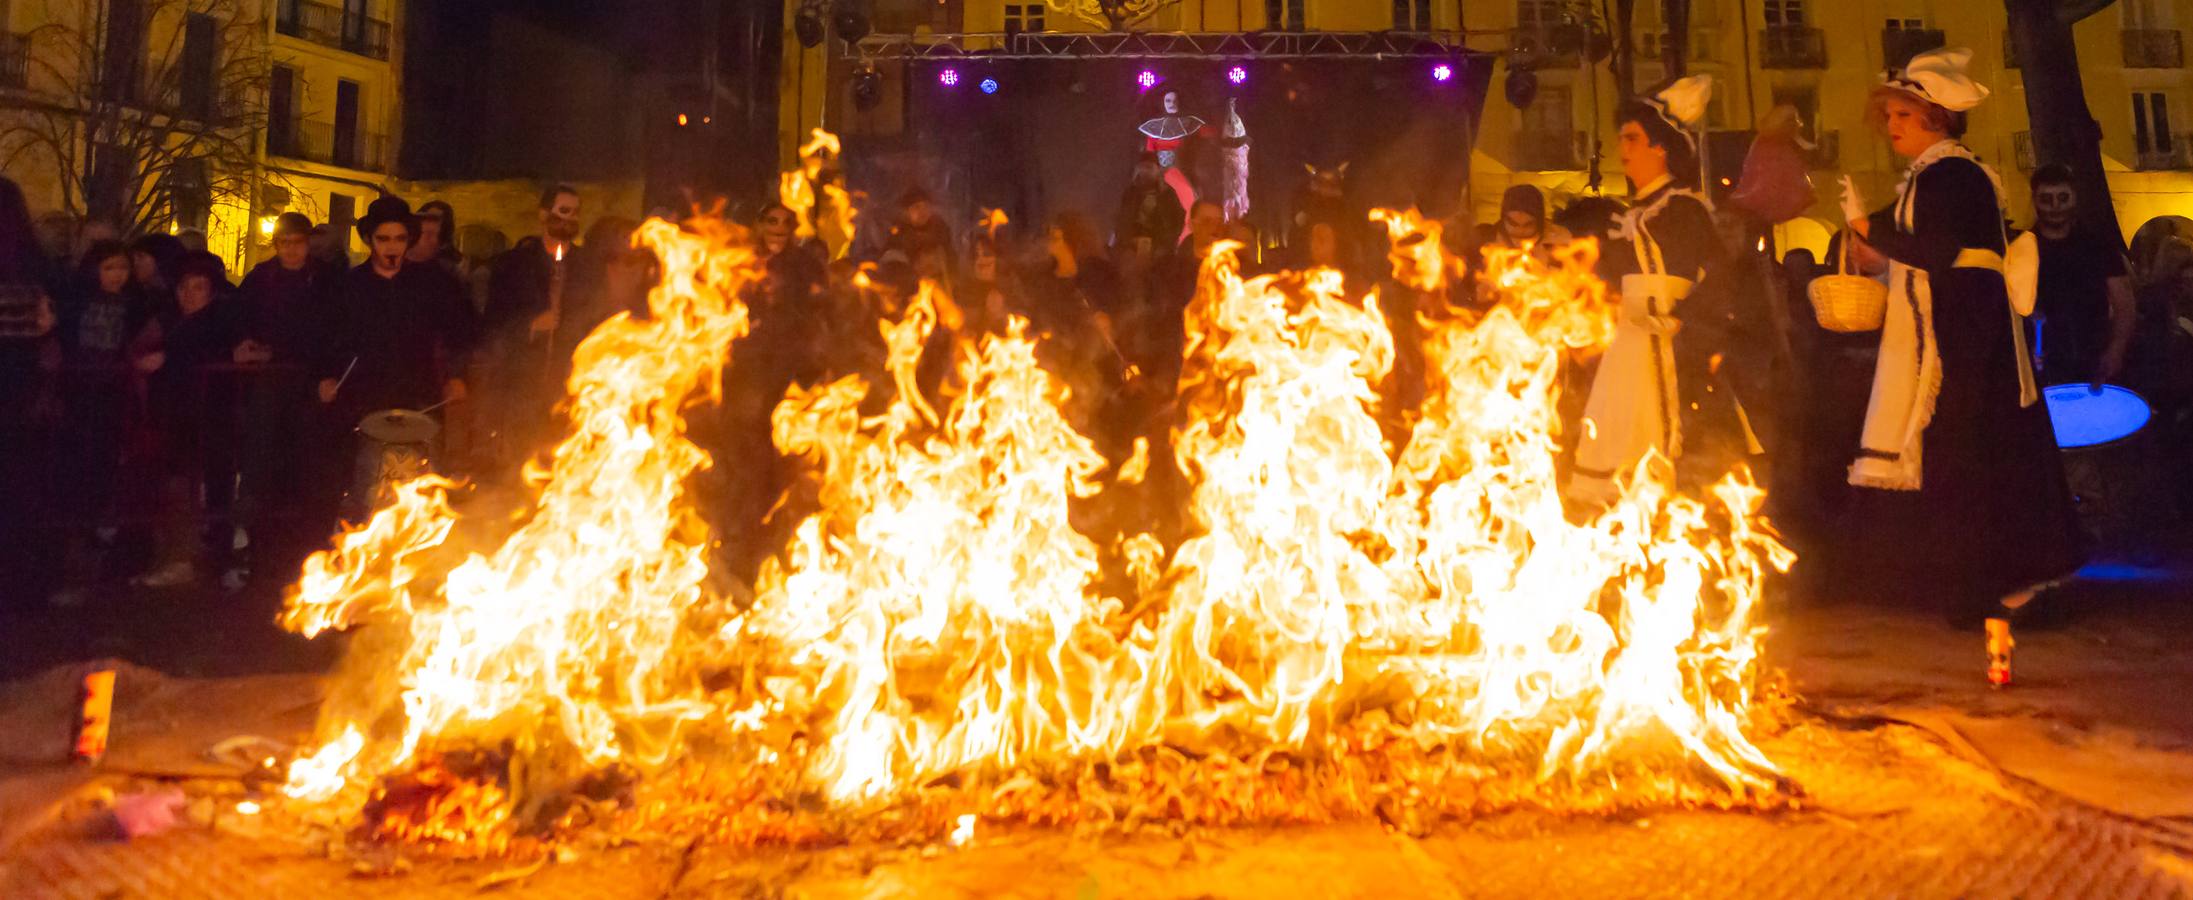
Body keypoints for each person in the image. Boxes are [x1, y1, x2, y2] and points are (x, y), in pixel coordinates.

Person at [1837, 47, 2084, 623]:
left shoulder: (1953, 173)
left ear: (1937, 119)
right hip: (1961, 326)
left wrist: (1869, 227)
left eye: (1903, 116)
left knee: (1977, 452)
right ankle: (1979, 583)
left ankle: (2000, 583)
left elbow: (1938, 249)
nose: (1892, 127)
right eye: (1891, 117)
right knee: (1968, 454)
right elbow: (1914, 247)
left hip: (1968, 335)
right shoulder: (1935, 176)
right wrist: (1872, 242)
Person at [1570, 75, 1734, 503]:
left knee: (1666, 433)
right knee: (1620, 434)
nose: (1621, 149)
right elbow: (1609, 278)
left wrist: (1682, 317)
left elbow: (1721, 274)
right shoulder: (1634, 214)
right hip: (1629, 337)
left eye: (1632, 138)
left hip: (1671, 342)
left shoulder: (1684, 207)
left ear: (1660, 147)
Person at [316, 197, 479, 518]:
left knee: (420, 494)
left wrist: (458, 376)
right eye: (384, 239)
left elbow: (462, 333)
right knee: (366, 493)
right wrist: (324, 377)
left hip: (420, 399)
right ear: (369, 240)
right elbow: (323, 340)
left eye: (400, 239)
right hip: (363, 401)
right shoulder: (347, 287)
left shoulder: (433, 284)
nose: (392, 248)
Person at [48, 242, 157, 602]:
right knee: (75, 458)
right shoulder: (76, 301)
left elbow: (141, 334)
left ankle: (95, 523)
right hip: (78, 390)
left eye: (122, 269)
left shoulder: (133, 304)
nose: (117, 276)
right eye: (110, 268)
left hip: (112, 391)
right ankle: (74, 526)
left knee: (106, 458)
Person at [231, 212, 335, 570]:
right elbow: (241, 318)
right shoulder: (262, 277)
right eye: (284, 243)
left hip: (308, 379)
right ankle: (259, 540)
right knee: (262, 454)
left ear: (308, 243)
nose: (291, 250)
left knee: (304, 455)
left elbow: (330, 330)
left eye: (297, 242)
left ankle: (302, 538)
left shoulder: (323, 280)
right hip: (271, 380)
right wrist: (246, 344)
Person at [132, 257, 242, 588]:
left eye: (199, 288)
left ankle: (213, 559)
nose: (190, 295)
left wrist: (169, 356)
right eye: (184, 288)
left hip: (212, 414)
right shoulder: (167, 321)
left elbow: (213, 349)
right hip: (175, 414)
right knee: (176, 485)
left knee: (215, 486)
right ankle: (180, 555)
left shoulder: (219, 322)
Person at [483, 184, 583, 464]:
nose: (570, 219)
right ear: (543, 214)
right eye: (563, 211)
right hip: (522, 387)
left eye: (575, 213)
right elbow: (493, 323)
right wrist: (530, 325)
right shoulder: (514, 265)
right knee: (520, 463)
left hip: (569, 386)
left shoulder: (586, 266)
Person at [2027, 163, 2136, 388]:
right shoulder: (2022, 250)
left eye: (2063, 198)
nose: (2055, 207)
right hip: (2041, 366)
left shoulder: (2099, 247)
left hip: (2095, 361)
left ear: (2075, 197)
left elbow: (2124, 303)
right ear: (2034, 200)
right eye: (2047, 199)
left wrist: (2115, 351)